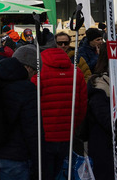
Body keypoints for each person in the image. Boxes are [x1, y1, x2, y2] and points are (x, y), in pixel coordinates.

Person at [0, 45, 40, 180]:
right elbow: (32, 129)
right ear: (28, 67)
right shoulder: (27, 89)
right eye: (34, 70)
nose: (34, 75)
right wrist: (38, 162)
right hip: (15, 157)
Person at [36, 32, 88, 180]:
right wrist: (73, 125)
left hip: (44, 134)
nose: (63, 46)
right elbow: (82, 105)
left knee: (45, 172)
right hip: (67, 133)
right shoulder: (76, 72)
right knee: (64, 171)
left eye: (66, 43)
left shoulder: (39, 73)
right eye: (60, 43)